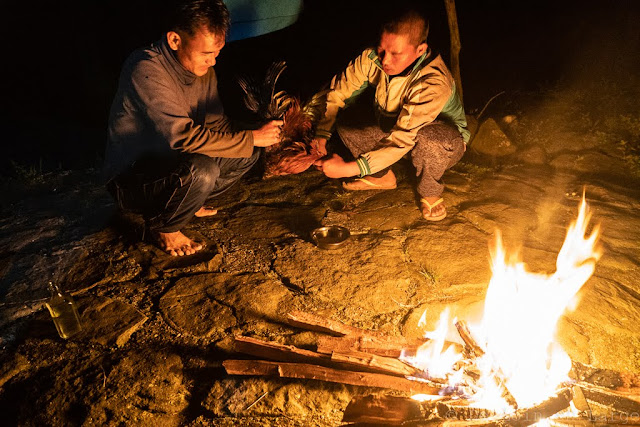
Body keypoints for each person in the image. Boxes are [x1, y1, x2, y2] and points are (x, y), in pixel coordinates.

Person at [104, 0, 282, 256]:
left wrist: (257, 131)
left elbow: (217, 125)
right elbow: (181, 137)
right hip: (131, 178)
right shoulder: (145, 67)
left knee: (248, 152)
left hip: (173, 165)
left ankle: (187, 200)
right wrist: (251, 136)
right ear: (175, 40)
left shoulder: (202, 71)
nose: (213, 62)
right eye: (206, 54)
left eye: (217, 53)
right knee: (203, 170)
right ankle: (164, 227)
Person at [311, 8, 469, 221]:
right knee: (348, 121)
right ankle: (381, 176)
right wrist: (322, 134)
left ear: (420, 50)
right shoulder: (371, 58)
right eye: (382, 50)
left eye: (396, 54)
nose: (385, 60)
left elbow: (403, 139)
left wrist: (349, 169)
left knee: (430, 141)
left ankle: (430, 192)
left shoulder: (432, 81)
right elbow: (338, 93)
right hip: (395, 129)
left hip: (442, 143)